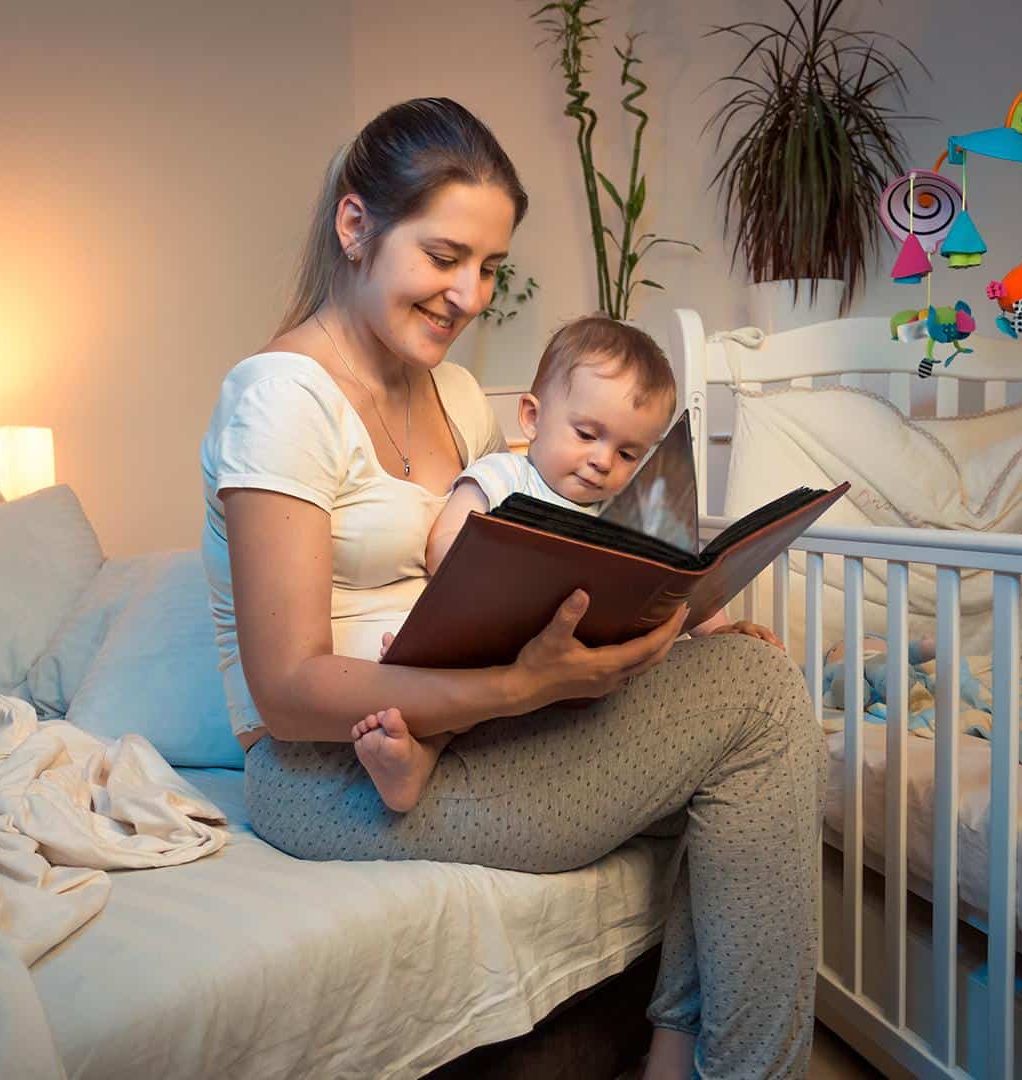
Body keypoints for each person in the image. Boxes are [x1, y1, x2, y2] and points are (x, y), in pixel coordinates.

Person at [200, 96, 824, 1078]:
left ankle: (676, 1052)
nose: (471, 294)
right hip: (327, 772)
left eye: (490, 267)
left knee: (746, 712)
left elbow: (522, 565)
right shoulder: (278, 397)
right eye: (446, 256)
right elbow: (285, 692)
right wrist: (521, 690)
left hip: (465, 727)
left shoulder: (449, 390)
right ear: (356, 226)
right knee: (764, 711)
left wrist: (669, 619)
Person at [349, 313, 782, 813]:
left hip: (573, 672)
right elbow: (444, 541)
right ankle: (413, 758)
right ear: (532, 417)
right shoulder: (507, 475)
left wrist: (717, 629)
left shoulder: (623, 513)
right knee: (455, 684)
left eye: (627, 453)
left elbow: (674, 585)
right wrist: (494, 591)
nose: (603, 461)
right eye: (586, 434)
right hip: (494, 638)